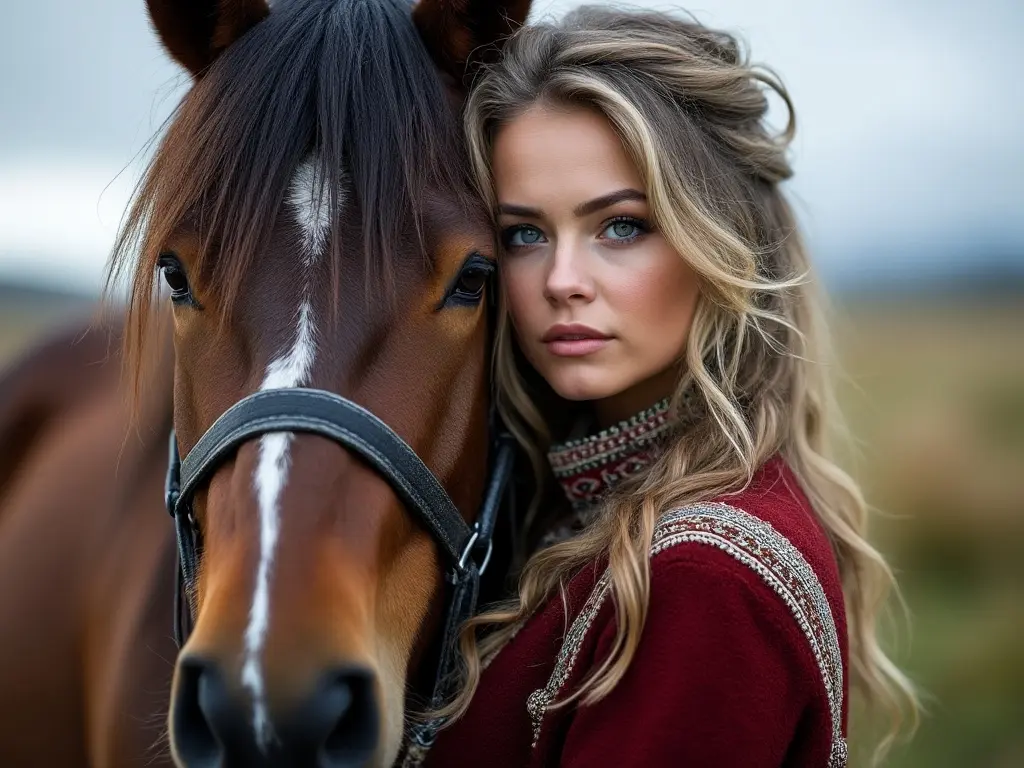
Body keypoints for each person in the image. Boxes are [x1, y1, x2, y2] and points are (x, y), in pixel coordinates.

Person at [410, 6, 918, 767]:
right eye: (524, 233)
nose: (562, 281)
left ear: (718, 239)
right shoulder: (575, 508)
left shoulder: (701, 577)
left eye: (620, 226)